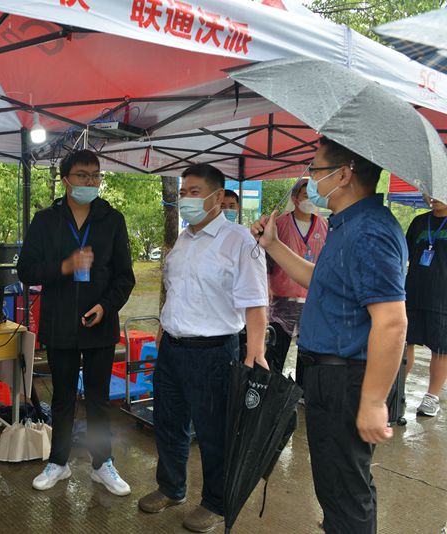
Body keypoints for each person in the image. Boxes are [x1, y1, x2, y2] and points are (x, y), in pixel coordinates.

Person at [251, 137, 408, 534]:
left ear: (343, 174)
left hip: (347, 380)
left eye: (316, 169)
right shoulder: (347, 225)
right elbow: (318, 279)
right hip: (328, 376)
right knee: (337, 487)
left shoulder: (370, 231)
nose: (310, 179)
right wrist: (273, 245)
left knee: (345, 492)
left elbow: (392, 321)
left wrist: (373, 402)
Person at [139, 163, 268, 533]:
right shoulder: (184, 239)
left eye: (194, 192)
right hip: (172, 348)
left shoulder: (239, 241)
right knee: (168, 422)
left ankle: (215, 502)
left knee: (214, 433)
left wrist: (255, 352)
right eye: (183, 192)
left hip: (213, 352)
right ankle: (171, 487)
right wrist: (163, 327)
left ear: (217, 196)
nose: (186, 199)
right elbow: (175, 290)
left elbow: (256, 302)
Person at [17, 150, 136, 496]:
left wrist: (106, 307)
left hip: (100, 324)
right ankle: (59, 462)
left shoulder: (112, 219)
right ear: (66, 179)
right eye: (83, 175)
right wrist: (64, 267)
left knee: (98, 399)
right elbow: (26, 270)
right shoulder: (46, 221)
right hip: (60, 324)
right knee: (63, 397)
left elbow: (125, 277)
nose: (90, 182)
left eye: (96, 175)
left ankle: (102, 464)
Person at [265, 179, 328, 377]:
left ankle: (302, 390)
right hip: (281, 301)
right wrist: (267, 286)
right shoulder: (279, 224)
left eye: (313, 196)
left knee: (307, 357)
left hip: (312, 300)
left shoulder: (324, 226)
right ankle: (270, 388)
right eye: (305, 195)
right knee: (275, 353)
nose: (310, 200)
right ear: (294, 198)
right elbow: (266, 260)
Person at [403, 194, 447, 417]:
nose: (433, 197)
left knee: (441, 349)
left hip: (442, 299)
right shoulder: (420, 222)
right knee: (404, 343)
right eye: (429, 192)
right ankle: (397, 388)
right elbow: (405, 254)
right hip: (412, 293)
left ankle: (431, 397)